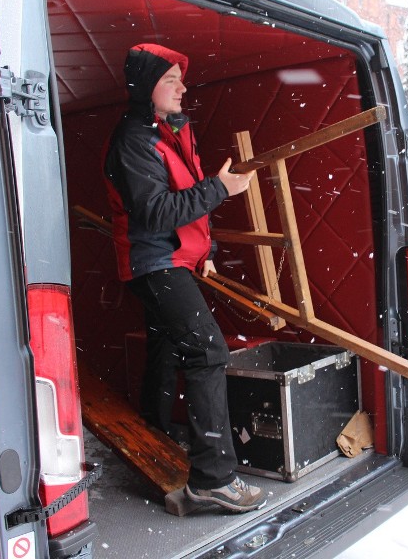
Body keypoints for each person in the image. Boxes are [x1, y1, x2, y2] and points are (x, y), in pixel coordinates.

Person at [103, 43, 265, 512]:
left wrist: (205, 253)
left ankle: (154, 430)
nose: (183, 86)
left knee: (168, 342)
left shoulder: (172, 130)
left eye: (180, 78)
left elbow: (187, 199)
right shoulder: (134, 139)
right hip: (153, 262)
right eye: (171, 78)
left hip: (175, 260)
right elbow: (155, 213)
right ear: (146, 86)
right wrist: (221, 189)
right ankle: (213, 479)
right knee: (208, 351)